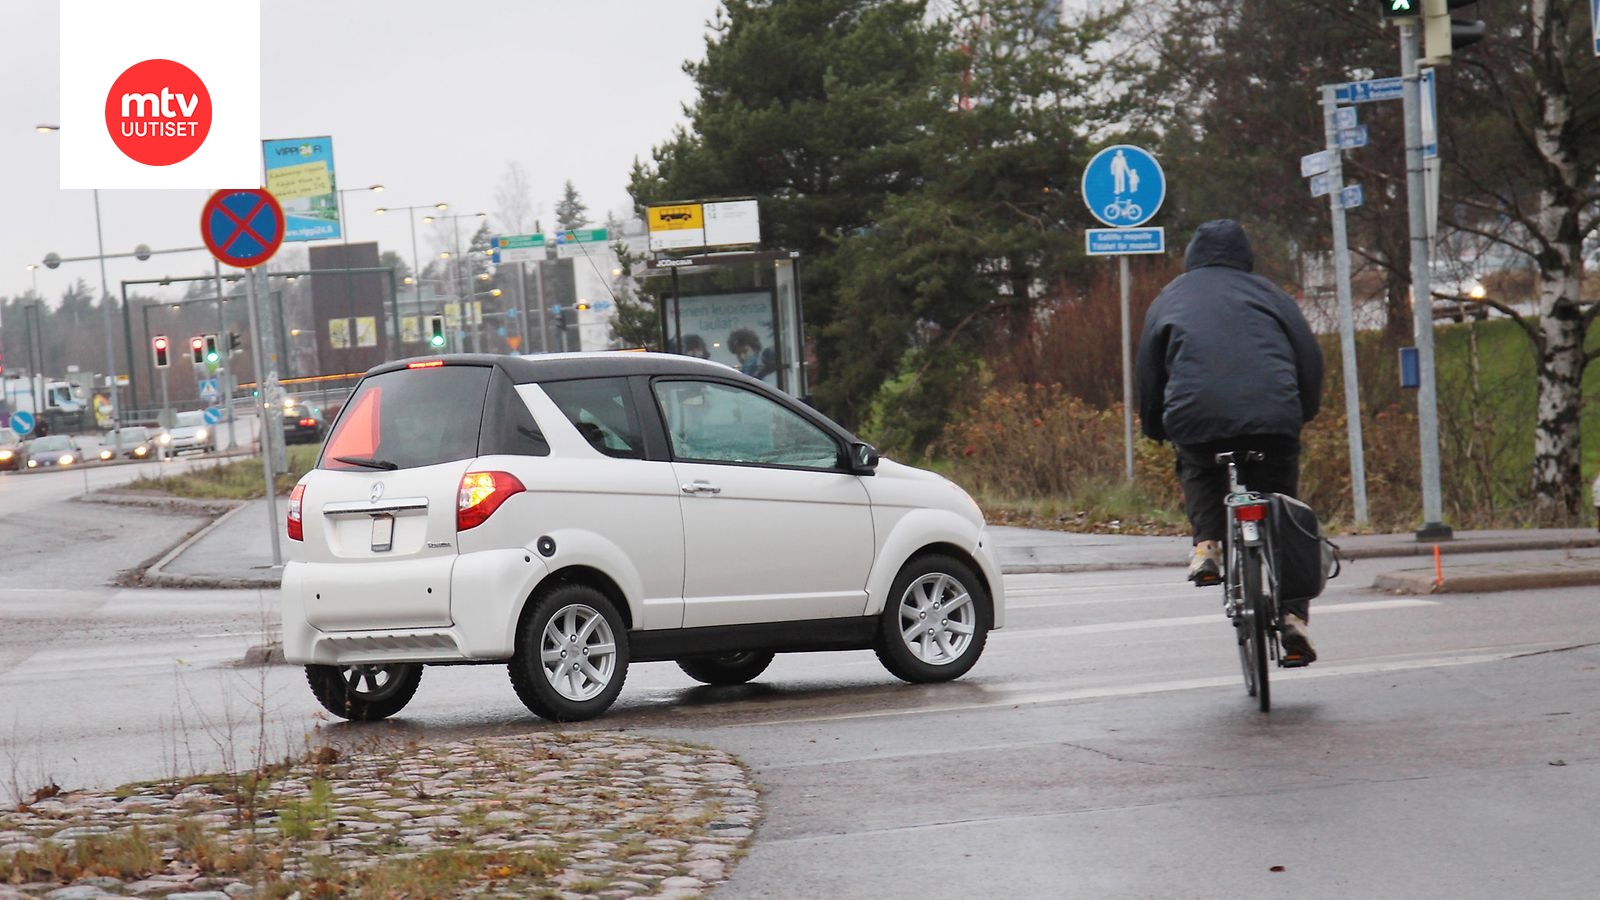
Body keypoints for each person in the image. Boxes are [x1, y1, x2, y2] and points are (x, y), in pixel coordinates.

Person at [1135, 219, 1324, 663]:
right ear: (1245, 255)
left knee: (1199, 465)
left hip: (1196, 418)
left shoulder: (1171, 296)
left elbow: (1150, 370)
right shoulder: (1271, 294)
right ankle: (1294, 616)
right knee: (1284, 507)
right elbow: (1309, 359)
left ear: (1193, 255)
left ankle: (1207, 547)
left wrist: (1155, 425)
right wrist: (1302, 411)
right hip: (1273, 419)